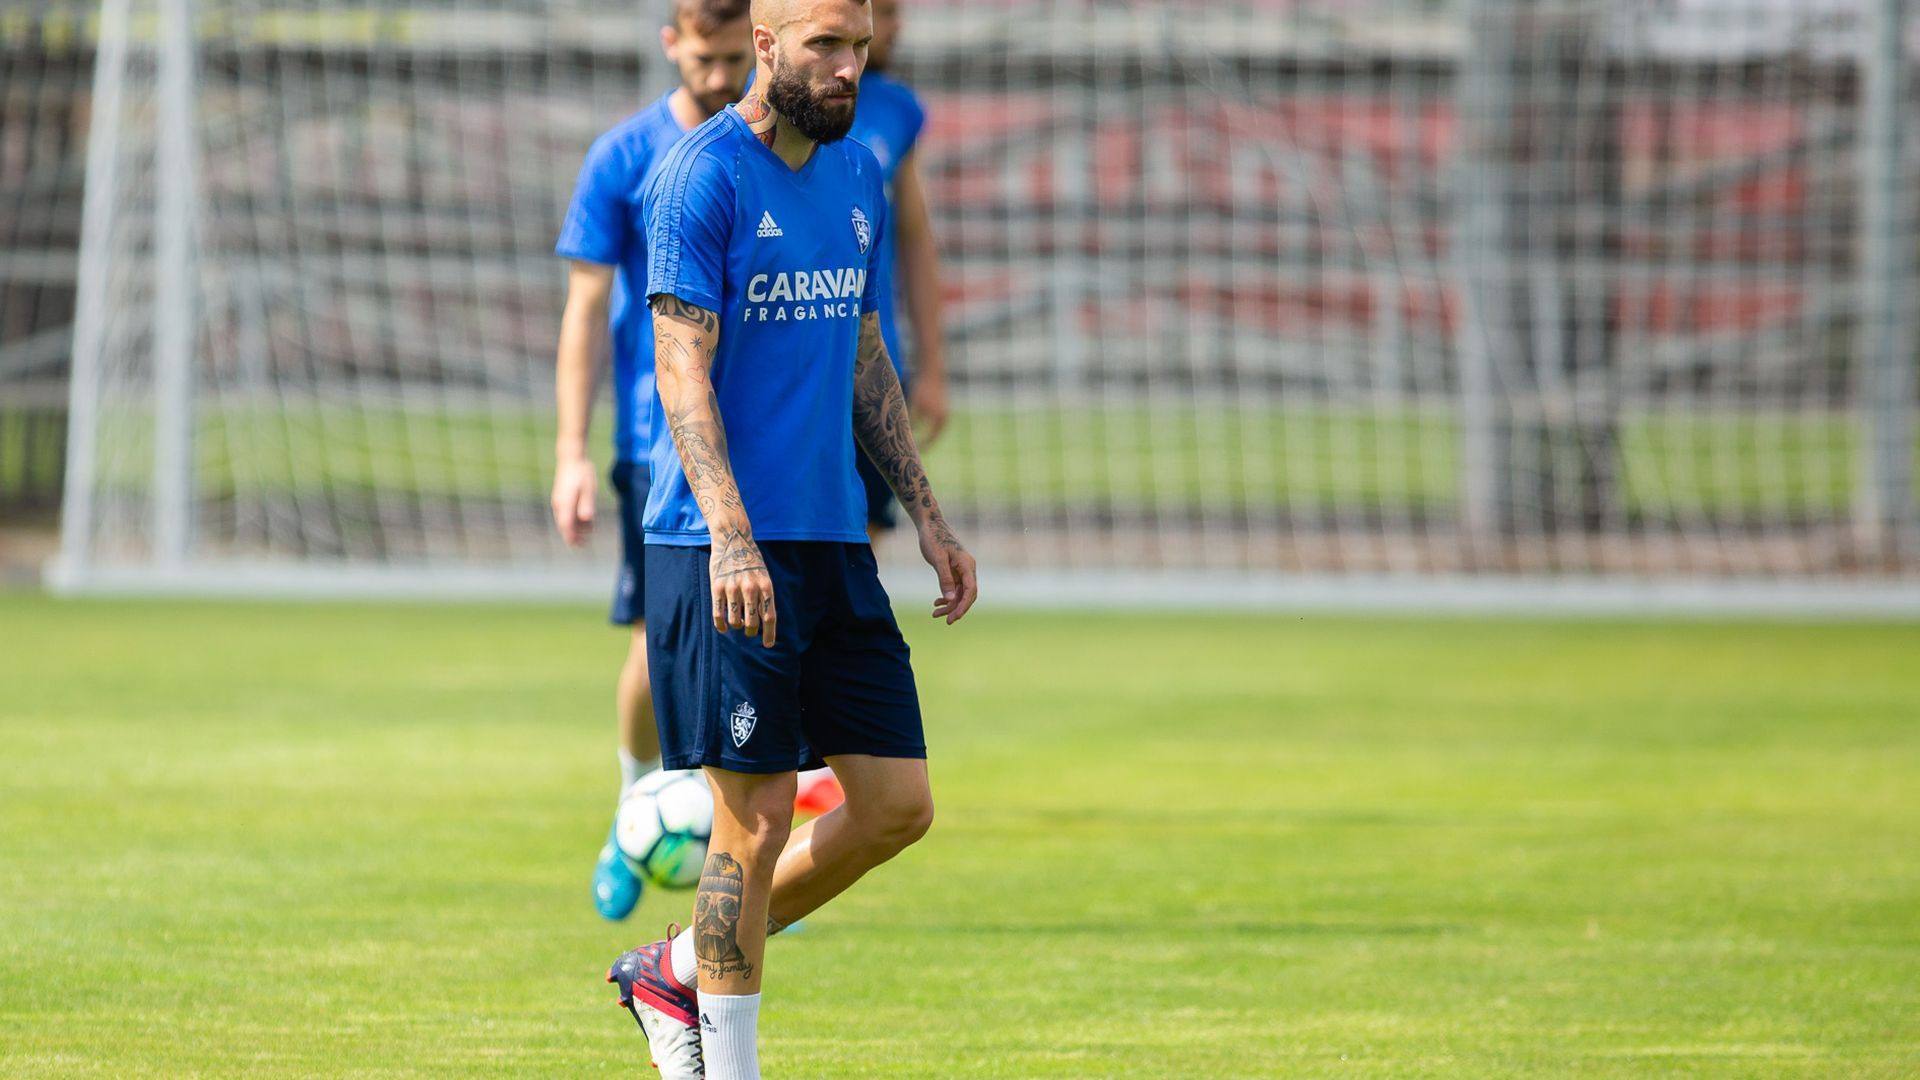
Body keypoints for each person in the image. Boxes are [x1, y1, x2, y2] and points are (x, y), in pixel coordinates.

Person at [603, 1, 979, 1076]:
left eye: (859, 45)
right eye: (826, 44)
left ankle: (675, 966)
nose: (851, 65)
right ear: (766, 48)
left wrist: (928, 517)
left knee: (898, 807)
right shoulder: (699, 175)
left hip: (830, 544)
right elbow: (681, 367)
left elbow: (866, 358)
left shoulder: (858, 172)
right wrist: (730, 537)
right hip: (717, 546)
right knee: (754, 821)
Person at [551, 0, 754, 923]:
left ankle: (759, 827)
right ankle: (635, 806)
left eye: (731, 58)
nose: (718, 77)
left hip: (761, 437)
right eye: (702, 58)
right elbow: (586, 311)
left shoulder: (776, 151)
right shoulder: (625, 158)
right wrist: (570, 453)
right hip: (654, 444)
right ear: (672, 44)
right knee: (656, 643)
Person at [790, 0, 947, 818]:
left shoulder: (892, 116)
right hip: (789, 381)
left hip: (862, 369)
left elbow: (914, 236)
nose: (887, 27)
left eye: (887, 16)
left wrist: (933, 366)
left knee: (856, 558)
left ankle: (825, 757)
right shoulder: (788, 104)